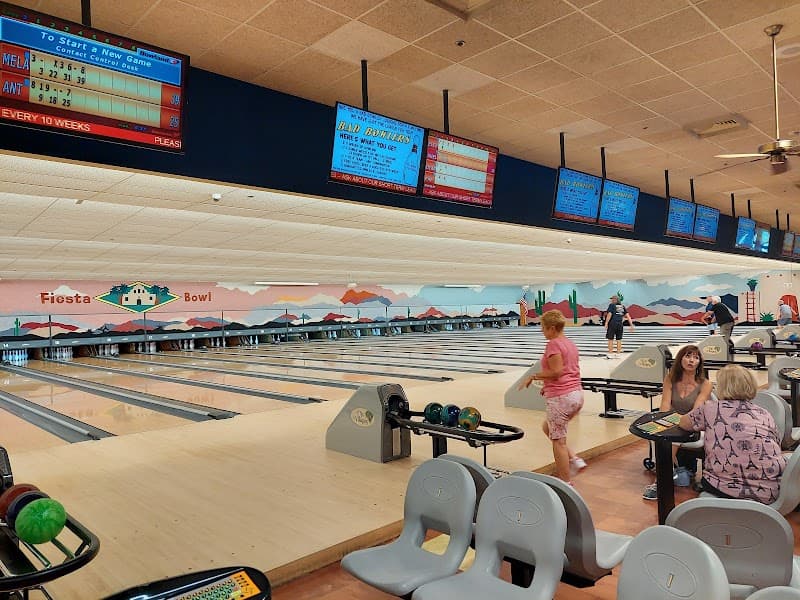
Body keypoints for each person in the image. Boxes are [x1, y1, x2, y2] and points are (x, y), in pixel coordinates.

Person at [678, 364, 786, 504]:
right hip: (769, 491)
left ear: (722, 387)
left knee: (705, 478)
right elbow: (775, 442)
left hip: (724, 487)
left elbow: (683, 423)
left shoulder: (710, 408)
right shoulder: (764, 412)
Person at [519, 309, 585, 484]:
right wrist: (547, 386)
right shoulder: (570, 343)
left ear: (552, 328)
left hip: (562, 398)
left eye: (543, 327)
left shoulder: (553, 344)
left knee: (558, 442)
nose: (542, 331)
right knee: (548, 427)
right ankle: (574, 459)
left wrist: (534, 376)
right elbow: (567, 372)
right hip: (576, 395)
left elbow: (556, 372)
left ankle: (566, 483)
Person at [642, 344, 712, 500]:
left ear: (700, 362)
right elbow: (665, 406)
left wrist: (675, 422)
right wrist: (666, 423)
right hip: (672, 422)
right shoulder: (670, 379)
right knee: (663, 434)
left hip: (694, 425)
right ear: (680, 359)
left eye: (696, 357)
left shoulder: (706, 384)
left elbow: (696, 412)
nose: (691, 360)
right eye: (688, 356)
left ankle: (659, 482)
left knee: (670, 440)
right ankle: (670, 471)